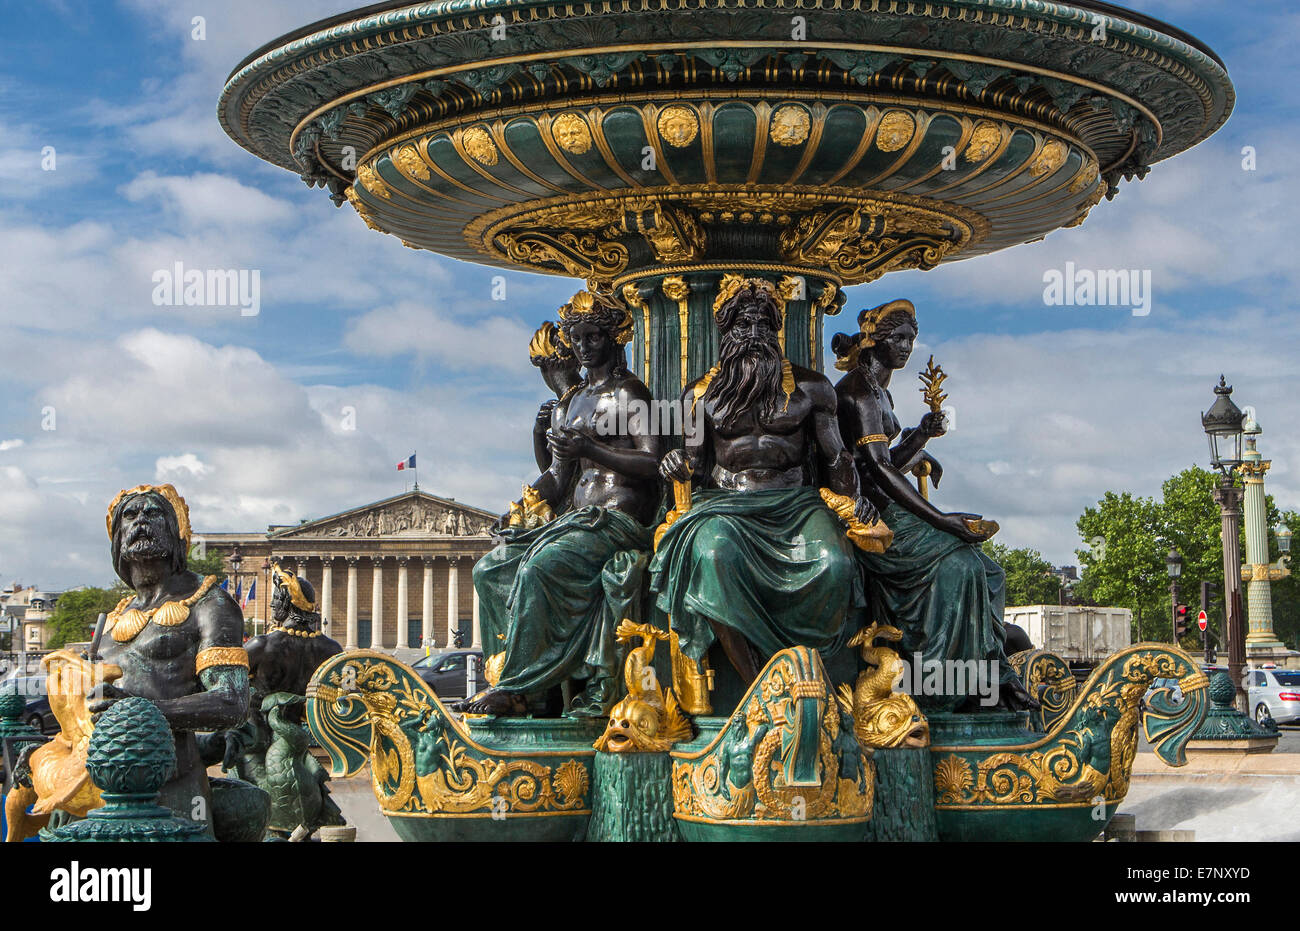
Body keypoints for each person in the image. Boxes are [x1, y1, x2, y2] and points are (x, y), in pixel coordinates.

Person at [651, 277, 882, 683]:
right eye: (743, 325)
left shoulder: (812, 388)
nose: (755, 335)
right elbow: (694, 464)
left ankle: (807, 669)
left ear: (776, 329)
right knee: (714, 557)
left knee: (836, 564)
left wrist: (854, 503)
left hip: (794, 503)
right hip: (725, 505)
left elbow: (836, 458)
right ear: (726, 330)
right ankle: (755, 682)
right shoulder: (698, 396)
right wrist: (675, 463)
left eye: (763, 325)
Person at [457, 291, 662, 716]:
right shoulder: (573, 405)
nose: (584, 347)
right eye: (577, 339)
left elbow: (651, 462)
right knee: (492, 568)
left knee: (538, 568)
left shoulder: (629, 394)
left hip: (618, 520)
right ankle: (533, 685)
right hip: (577, 521)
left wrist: (592, 447)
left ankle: (520, 689)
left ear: (613, 339)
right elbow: (558, 477)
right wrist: (521, 506)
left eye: (592, 337)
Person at [832, 300, 1034, 711]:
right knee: (960, 567)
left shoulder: (879, 391)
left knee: (989, 569)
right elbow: (879, 472)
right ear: (874, 340)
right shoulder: (857, 390)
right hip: (871, 520)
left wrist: (921, 435)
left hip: (888, 506)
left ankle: (991, 675)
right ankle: (943, 690)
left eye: (911, 338)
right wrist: (942, 520)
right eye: (899, 338)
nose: (907, 346)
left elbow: (884, 465)